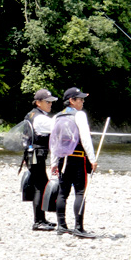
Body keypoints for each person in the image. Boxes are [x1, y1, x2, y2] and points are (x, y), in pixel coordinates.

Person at [51, 87, 98, 238]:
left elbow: (54, 143)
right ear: (72, 100)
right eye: (80, 99)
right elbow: (85, 138)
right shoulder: (80, 115)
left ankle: (62, 226)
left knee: (63, 193)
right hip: (77, 159)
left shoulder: (56, 117)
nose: (83, 102)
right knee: (80, 192)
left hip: (61, 159)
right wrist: (92, 159)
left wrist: (52, 163)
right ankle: (79, 227)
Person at [25, 88, 58, 231]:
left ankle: (41, 219)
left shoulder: (31, 114)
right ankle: (38, 221)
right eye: (47, 102)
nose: (50, 104)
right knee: (40, 185)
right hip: (36, 156)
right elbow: (58, 128)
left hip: (31, 155)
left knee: (40, 184)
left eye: (51, 102)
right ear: (38, 103)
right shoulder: (41, 118)